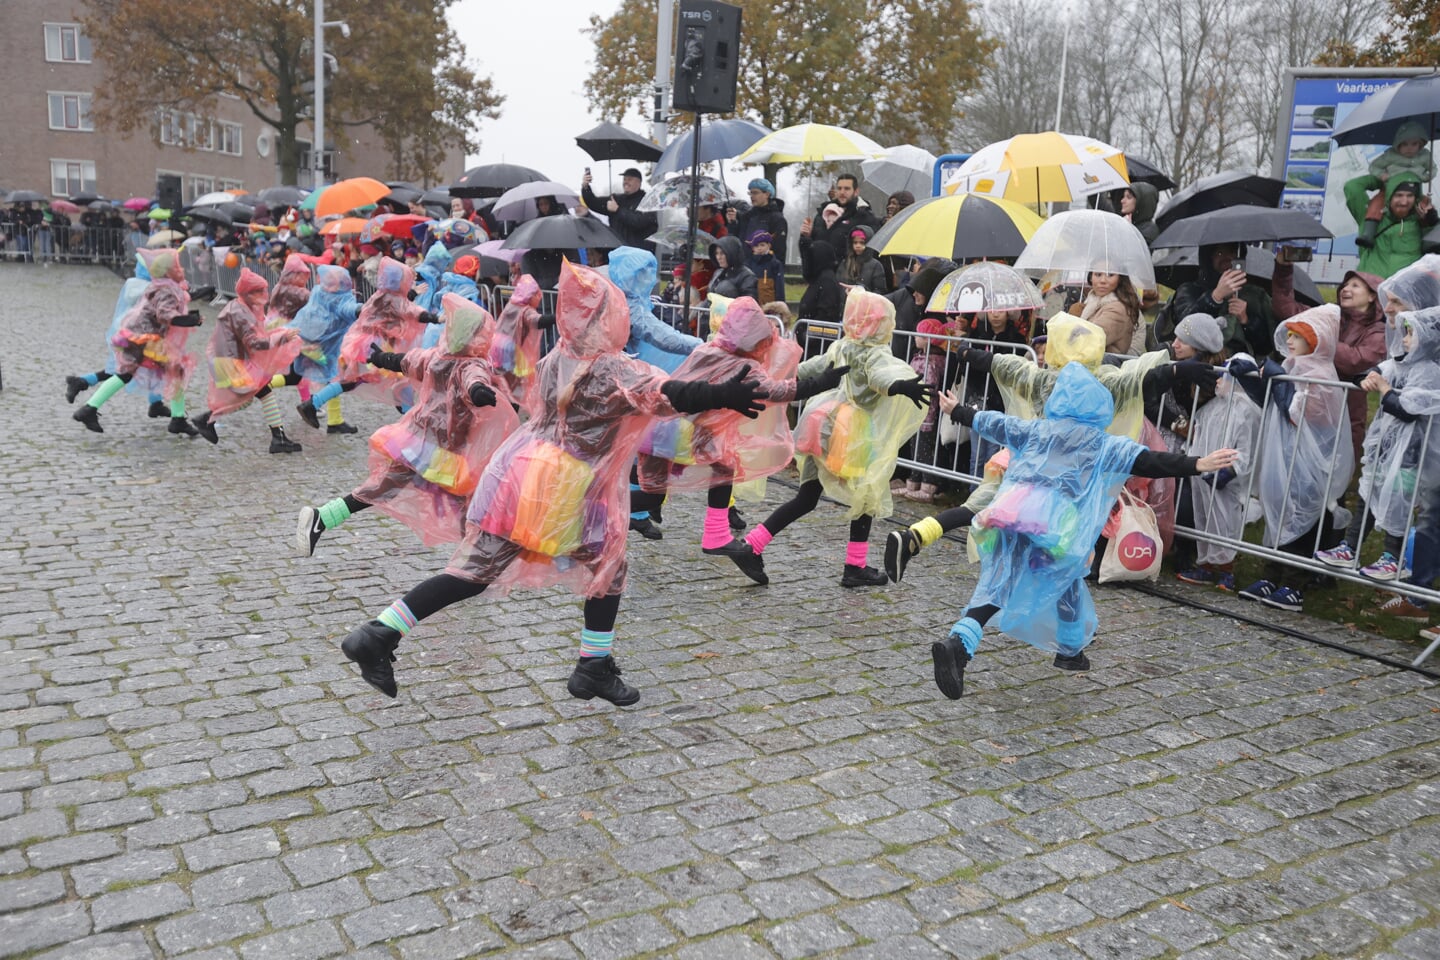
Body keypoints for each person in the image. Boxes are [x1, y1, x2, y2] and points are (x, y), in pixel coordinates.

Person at [331, 261, 765, 703]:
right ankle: (592, 666)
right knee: (608, 565)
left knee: (476, 569)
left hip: (521, 469)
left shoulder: (560, 355)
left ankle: (381, 631)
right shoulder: (613, 367)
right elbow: (671, 393)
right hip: (569, 485)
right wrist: (720, 393)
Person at [929, 361, 1240, 699]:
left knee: (1009, 581)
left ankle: (1058, 649)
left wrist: (957, 410)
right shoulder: (1101, 443)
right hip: (1056, 525)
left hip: (1010, 511)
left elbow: (995, 424)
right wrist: (1196, 464)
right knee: (1060, 572)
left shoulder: (1039, 429)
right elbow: (1149, 460)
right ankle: (978, 646)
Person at [884, 316, 1216, 582]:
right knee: (1061, 549)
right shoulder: (1097, 383)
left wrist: (968, 356)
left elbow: (1004, 366)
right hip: (1064, 480)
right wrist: (1177, 370)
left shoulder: (1041, 379)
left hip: (1026, 459)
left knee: (986, 505)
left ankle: (919, 534)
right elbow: (1138, 380)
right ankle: (1061, 631)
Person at [723, 289, 932, 588]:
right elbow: (878, 377)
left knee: (806, 497)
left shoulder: (844, 346)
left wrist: (780, 374)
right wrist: (899, 386)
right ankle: (854, 566)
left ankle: (752, 546)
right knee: (866, 497)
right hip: (852, 435)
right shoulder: (874, 352)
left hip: (821, 423)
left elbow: (813, 367)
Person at [296, 294, 520, 554]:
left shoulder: (437, 357)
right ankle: (475, 556)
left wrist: (380, 358)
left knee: (408, 490)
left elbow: (404, 361)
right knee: (446, 494)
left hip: (421, 439)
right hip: (440, 446)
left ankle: (475, 553)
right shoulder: (470, 364)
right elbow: (471, 379)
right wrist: (478, 391)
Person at [636, 296, 842, 576]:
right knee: (723, 465)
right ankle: (713, 534)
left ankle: (603, 511)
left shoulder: (708, 349)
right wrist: (821, 383)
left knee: (656, 495)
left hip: (661, 427)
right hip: (686, 430)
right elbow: (776, 391)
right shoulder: (744, 366)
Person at [1237, 306, 1354, 612]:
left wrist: (1283, 381)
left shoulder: (1321, 376)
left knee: (1301, 518)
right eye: (1288, 334)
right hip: (1284, 456)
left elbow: (1299, 414)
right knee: (1279, 512)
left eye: (1298, 336)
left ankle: (1294, 583)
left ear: (1317, 341)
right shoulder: (1292, 366)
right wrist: (1250, 377)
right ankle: (1272, 573)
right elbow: (1271, 399)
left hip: (1308, 463)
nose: (1290, 341)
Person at [1314, 308, 1440, 581]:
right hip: (1385, 451)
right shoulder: (1400, 362)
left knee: (1399, 505)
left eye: (1411, 333)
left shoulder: (1430, 371)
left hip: (1410, 456)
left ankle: (1392, 557)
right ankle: (1350, 547)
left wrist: (1384, 389)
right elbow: (1370, 373)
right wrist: (1371, 377)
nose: (1404, 339)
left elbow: (1408, 409)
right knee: (1367, 497)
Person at [1168, 315, 1259, 592]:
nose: (1219, 380)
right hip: (1202, 476)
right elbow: (1197, 436)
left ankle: (1226, 569)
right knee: (1204, 520)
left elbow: (1247, 449)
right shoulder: (1208, 409)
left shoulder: (1245, 412)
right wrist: (1193, 461)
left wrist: (1231, 470)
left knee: (1224, 523)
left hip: (1225, 479)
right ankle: (1205, 565)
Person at [71, 248, 204, 435]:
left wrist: (189, 316)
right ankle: (177, 419)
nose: (181, 269)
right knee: (176, 371)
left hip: (137, 335)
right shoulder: (167, 289)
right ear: (168, 271)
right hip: (145, 337)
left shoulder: (163, 286)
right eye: (177, 266)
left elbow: (162, 312)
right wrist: (190, 320)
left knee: (126, 374)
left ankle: (89, 408)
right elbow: (165, 314)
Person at [297, 257, 439, 425]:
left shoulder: (381, 295)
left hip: (364, 345)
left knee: (356, 380)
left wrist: (412, 294)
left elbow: (397, 305)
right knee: (399, 377)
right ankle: (412, 420)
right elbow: (411, 310)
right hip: (375, 346)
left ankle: (312, 404)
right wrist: (436, 318)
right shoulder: (391, 298)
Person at [1273, 258, 1385, 464]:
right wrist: (1283, 268)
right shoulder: (1328, 317)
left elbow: (1357, 360)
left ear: (1372, 296)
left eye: (1355, 285)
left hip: (1347, 410)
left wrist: (1320, 339)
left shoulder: (1378, 331)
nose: (1345, 289)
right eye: (1345, 285)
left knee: (1336, 468)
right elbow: (1286, 308)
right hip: (1312, 406)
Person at [190, 269, 306, 453]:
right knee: (247, 397)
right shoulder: (239, 312)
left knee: (262, 393)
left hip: (231, 360)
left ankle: (278, 438)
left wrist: (280, 332)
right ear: (248, 293)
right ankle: (207, 419)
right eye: (260, 291)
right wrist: (281, 338)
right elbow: (254, 341)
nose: (264, 295)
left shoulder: (244, 306)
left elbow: (261, 328)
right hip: (230, 363)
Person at [64, 256, 168, 417]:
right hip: (138, 334)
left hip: (125, 330)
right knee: (128, 370)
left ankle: (156, 403)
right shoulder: (151, 288)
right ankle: (85, 394)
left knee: (141, 368)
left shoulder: (132, 283)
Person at [1156, 243, 1276, 359]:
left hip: (1239, 367)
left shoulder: (1254, 295)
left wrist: (1247, 321)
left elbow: (1265, 347)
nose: (1227, 258)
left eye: (1233, 253)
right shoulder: (1189, 290)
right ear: (1208, 258)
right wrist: (1214, 297)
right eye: (1219, 253)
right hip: (1196, 364)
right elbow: (1185, 328)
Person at [1344, 177, 1438, 277]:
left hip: (1402, 290)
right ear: (1388, 196)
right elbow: (1352, 187)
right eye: (1399, 195)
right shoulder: (1367, 215)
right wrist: (1382, 180)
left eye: (1410, 196)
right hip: (1370, 287)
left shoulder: (1422, 222)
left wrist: (1431, 222)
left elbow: (1433, 250)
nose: (1404, 201)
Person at [488, 275, 553, 410]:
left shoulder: (512, 304)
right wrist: (557, 317)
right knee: (514, 388)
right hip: (511, 351)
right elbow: (538, 321)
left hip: (497, 346)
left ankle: (501, 408)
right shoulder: (525, 310)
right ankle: (509, 413)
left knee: (501, 383)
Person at [581, 167, 657, 251]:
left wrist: (618, 210)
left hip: (639, 255)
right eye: (624, 179)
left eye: (630, 179)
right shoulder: (617, 199)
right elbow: (593, 203)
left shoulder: (648, 202)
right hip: (617, 252)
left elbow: (637, 222)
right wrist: (586, 187)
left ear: (639, 183)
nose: (626, 182)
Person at [1077, 271, 1142, 355]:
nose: (1103, 280)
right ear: (1090, 277)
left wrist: (1072, 320)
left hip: (1102, 364)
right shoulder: (1092, 303)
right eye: (1098, 274)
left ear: (1120, 279)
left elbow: (1090, 339)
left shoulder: (1117, 309)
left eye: (1110, 275)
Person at [810, 173, 880, 249]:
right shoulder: (822, 214)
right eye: (839, 188)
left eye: (847, 188)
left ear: (856, 192)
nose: (842, 192)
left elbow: (869, 250)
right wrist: (805, 237)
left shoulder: (864, 217)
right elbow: (810, 248)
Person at [729, 179, 788, 258]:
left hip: (763, 268)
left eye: (755, 193)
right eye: (750, 193)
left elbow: (778, 251)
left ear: (767, 194)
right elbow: (737, 241)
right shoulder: (747, 216)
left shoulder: (777, 219)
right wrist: (733, 223)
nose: (752, 196)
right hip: (744, 266)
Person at [707, 235, 759, 301]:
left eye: (722, 253)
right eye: (716, 253)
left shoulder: (747, 276)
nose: (718, 257)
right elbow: (709, 299)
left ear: (731, 253)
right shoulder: (718, 272)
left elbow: (749, 303)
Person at [837, 226, 887, 293]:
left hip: (866, 302)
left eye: (862, 243)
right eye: (855, 242)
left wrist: (861, 291)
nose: (858, 246)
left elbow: (880, 290)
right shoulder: (845, 263)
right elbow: (839, 285)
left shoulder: (875, 265)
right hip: (846, 302)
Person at [745, 231, 786, 304]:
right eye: (756, 246)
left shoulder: (775, 264)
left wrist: (780, 304)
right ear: (752, 248)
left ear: (769, 245)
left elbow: (779, 287)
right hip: (752, 305)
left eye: (762, 245)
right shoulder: (749, 264)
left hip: (770, 306)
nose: (759, 248)